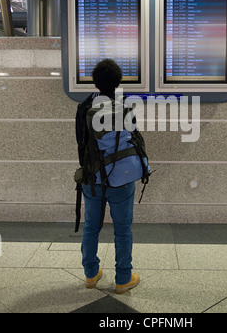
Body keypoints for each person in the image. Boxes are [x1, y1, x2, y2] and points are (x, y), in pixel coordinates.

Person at [80, 59, 144, 294]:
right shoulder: (124, 106)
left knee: (90, 227)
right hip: (122, 178)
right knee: (123, 229)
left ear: (95, 83)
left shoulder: (85, 107)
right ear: (118, 82)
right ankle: (123, 279)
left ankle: (90, 274)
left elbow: (81, 143)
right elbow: (134, 137)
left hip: (93, 178)